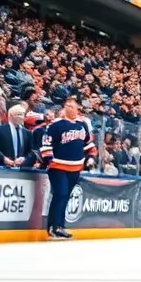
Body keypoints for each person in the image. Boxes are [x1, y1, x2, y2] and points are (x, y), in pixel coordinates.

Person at [39, 97, 97, 240]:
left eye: (72, 106)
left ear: (78, 109)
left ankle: (60, 226)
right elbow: (46, 144)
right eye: (67, 106)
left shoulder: (82, 125)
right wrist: (49, 160)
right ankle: (54, 227)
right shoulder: (55, 125)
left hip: (75, 168)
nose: (69, 108)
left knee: (65, 197)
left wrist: (91, 157)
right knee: (61, 194)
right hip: (58, 167)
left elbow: (89, 146)